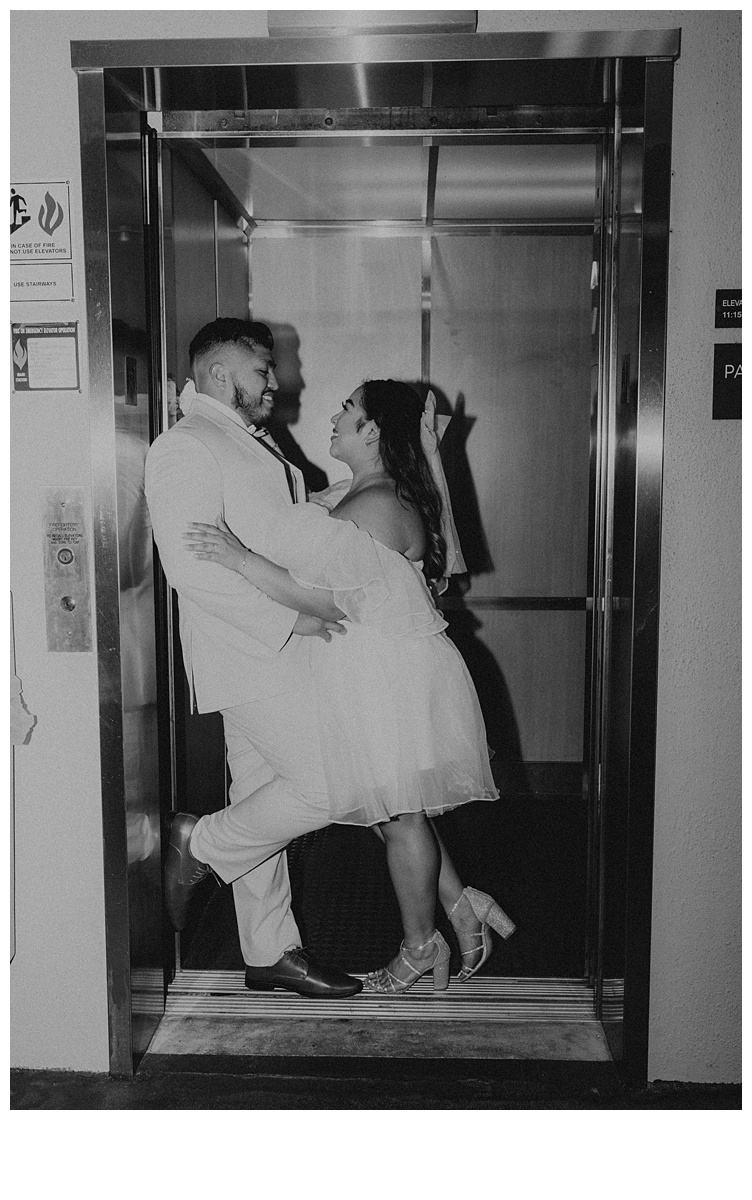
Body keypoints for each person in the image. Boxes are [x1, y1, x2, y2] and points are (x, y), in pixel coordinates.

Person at [184, 378, 515, 993]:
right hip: (378, 671)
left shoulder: (375, 506)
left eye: (349, 409)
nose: (335, 416)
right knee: (394, 809)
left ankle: (420, 945)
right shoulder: (361, 494)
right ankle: (461, 905)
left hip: (378, 675)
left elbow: (325, 600)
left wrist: (237, 559)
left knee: (399, 816)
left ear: (374, 432)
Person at [145, 317, 362, 999]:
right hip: (248, 651)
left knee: (262, 793)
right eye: (262, 369)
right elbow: (191, 568)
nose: (276, 381)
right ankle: (200, 845)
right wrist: (288, 619)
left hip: (273, 650)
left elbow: (276, 528)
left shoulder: (244, 440)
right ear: (217, 373)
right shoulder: (184, 446)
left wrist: (361, 492)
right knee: (332, 785)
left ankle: (270, 951)